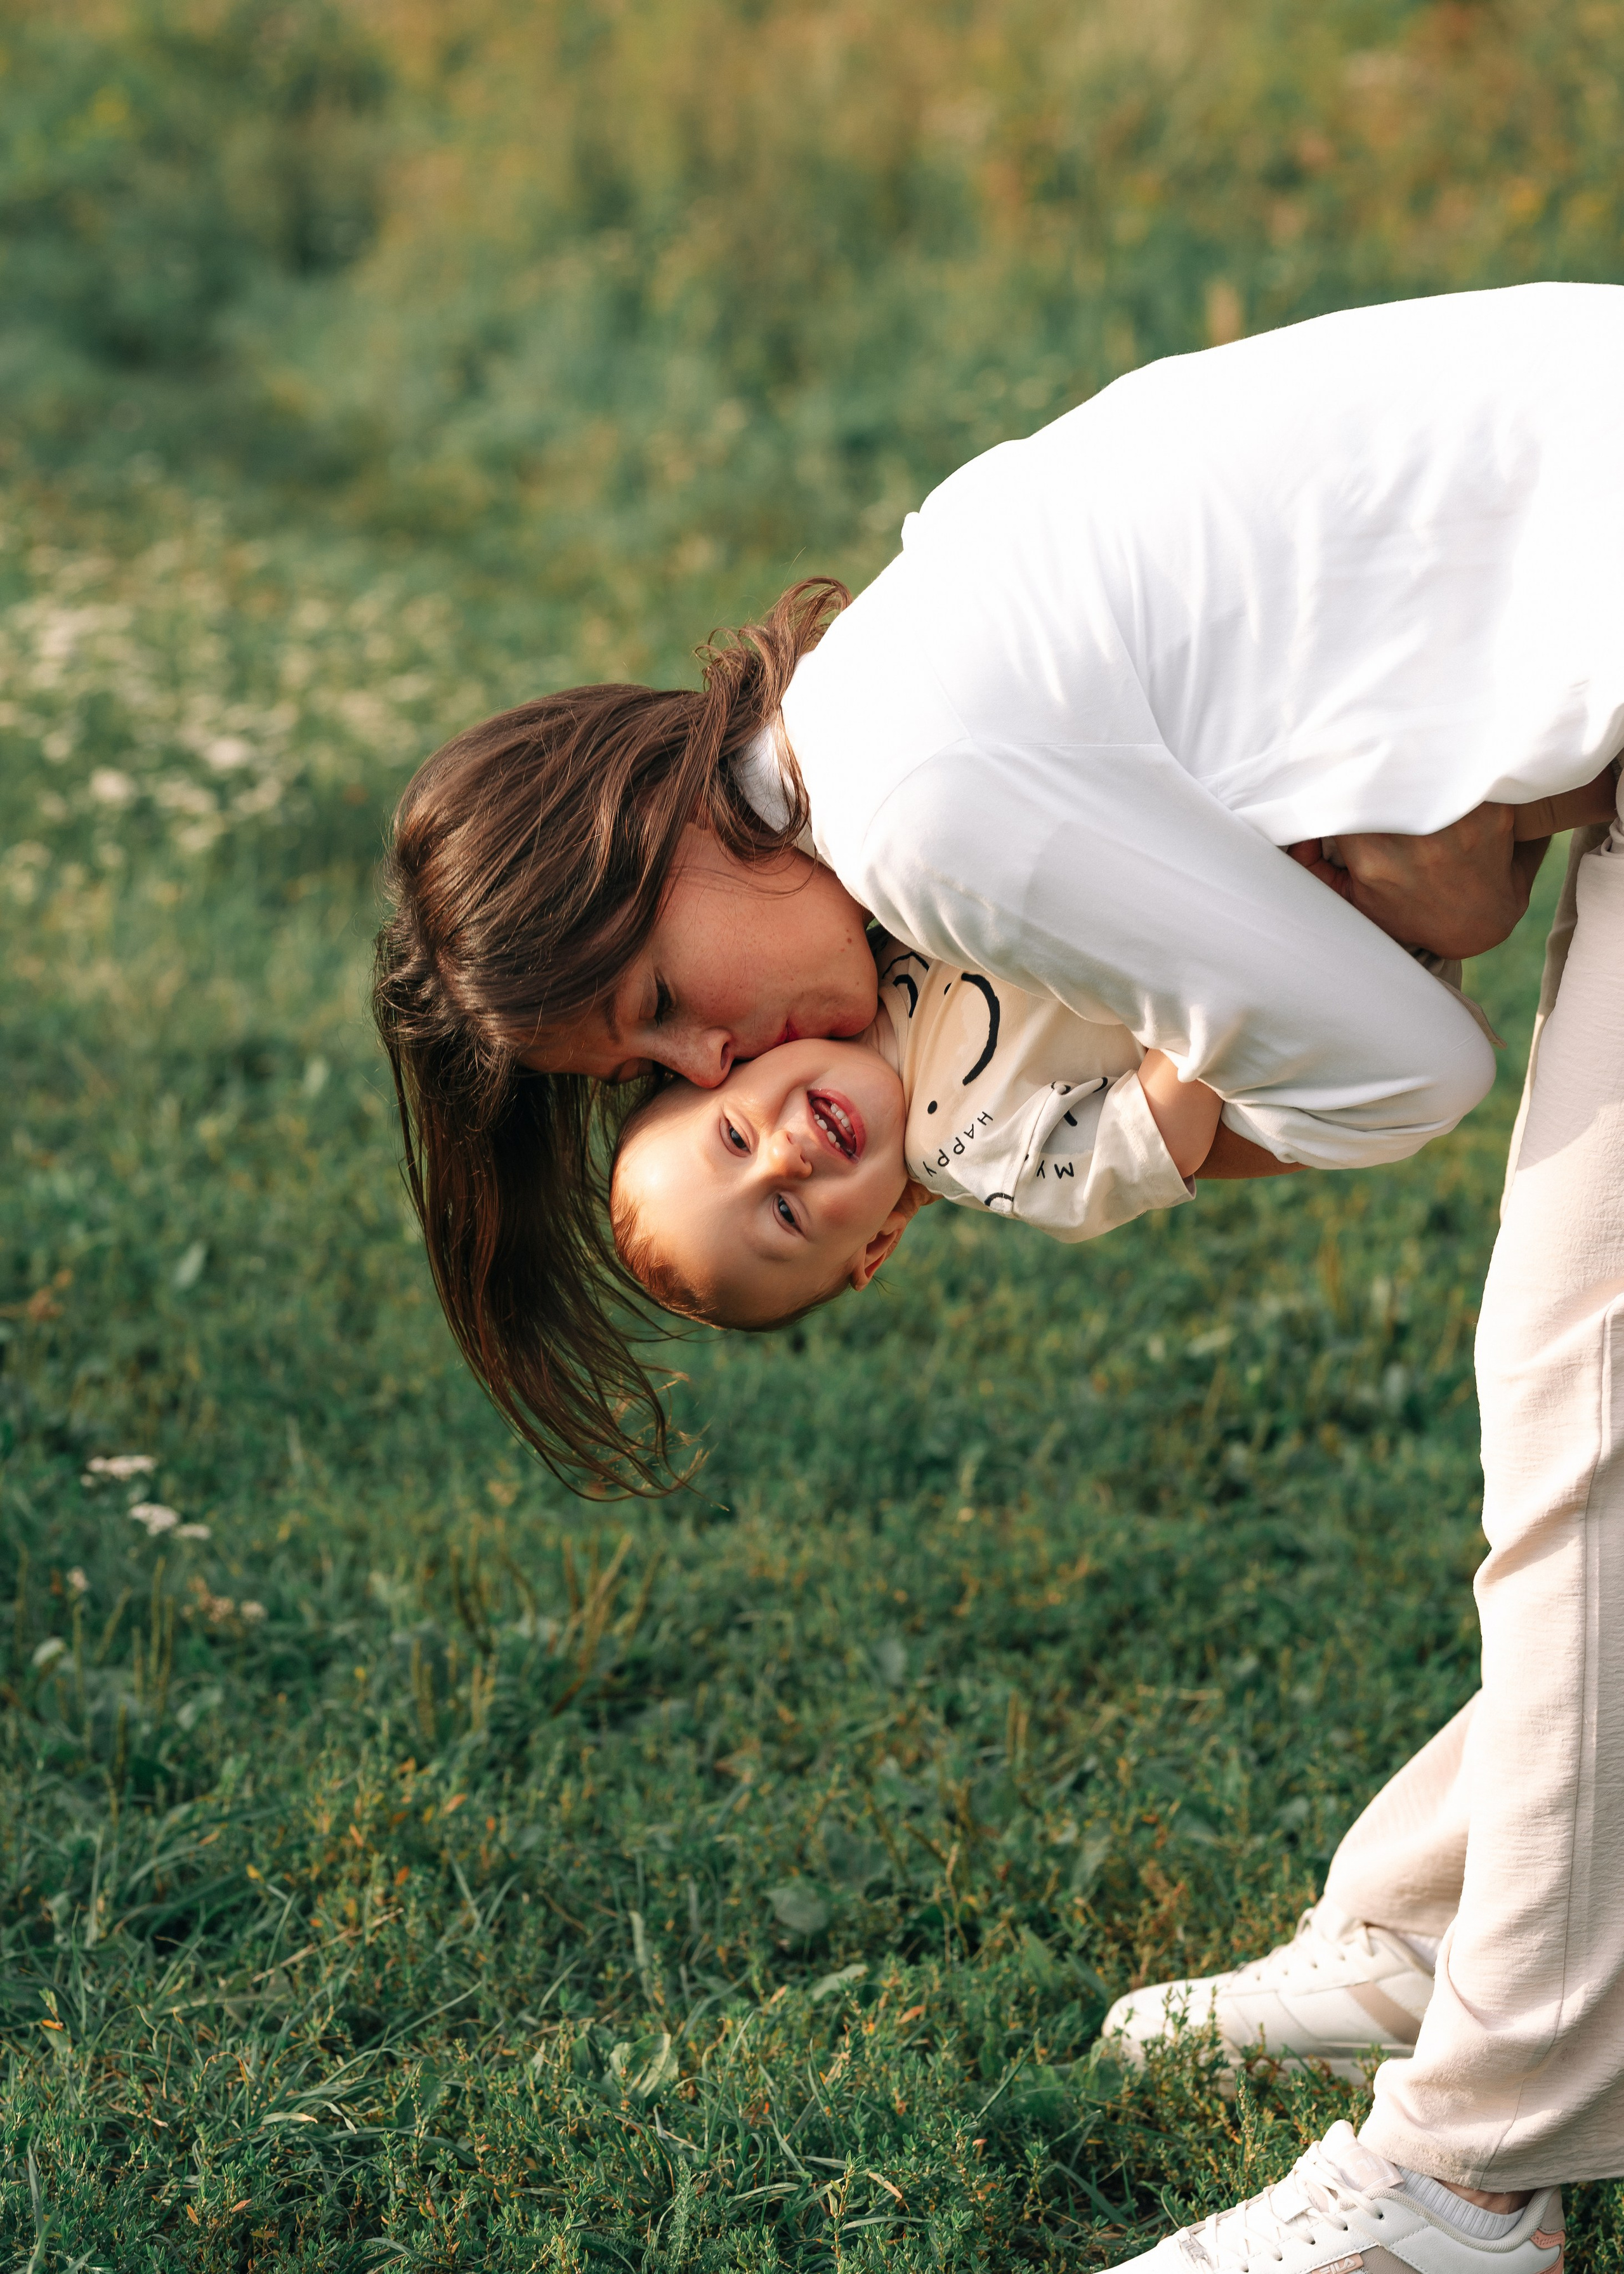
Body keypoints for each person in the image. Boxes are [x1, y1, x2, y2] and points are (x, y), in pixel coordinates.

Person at [374, 281, 1624, 2244]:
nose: (720, 1064)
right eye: (661, 1077)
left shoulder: (918, 805)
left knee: (1582, 1409)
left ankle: (1466, 2170)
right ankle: (1433, 1924)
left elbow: (1402, 1074)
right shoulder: (875, 699)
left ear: (653, 819)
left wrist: (1237, 1034)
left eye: (655, 1008)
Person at [610, 938, 1225, 1331]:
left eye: (736, 1137)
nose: (782, 1157)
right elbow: (1162, 1134)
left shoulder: (839, 957)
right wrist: (1207, 960)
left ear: (727, 1064)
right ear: (876, 1244)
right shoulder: (977, 1153)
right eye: (784, 1213)